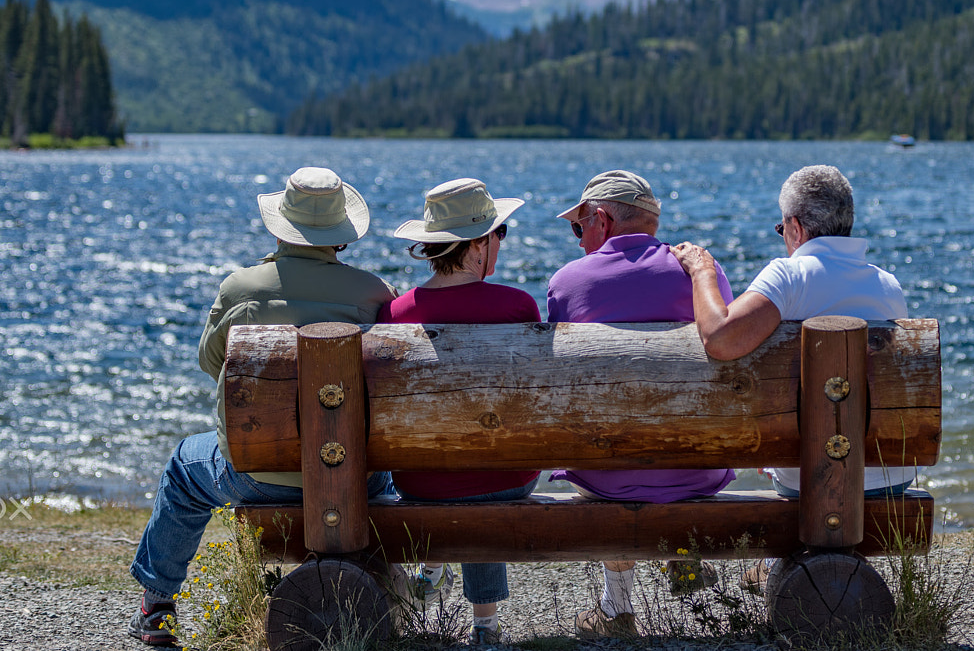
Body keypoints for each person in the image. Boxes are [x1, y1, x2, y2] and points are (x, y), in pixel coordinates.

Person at [127, 168, 395, 647]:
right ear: (341, 233)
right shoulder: (373, 293)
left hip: (257, 475)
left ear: (279, 226)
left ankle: (158, 606)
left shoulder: (239, 288)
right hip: (357, 476)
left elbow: (213, 366)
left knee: (185, 467)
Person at [670, 164, 915, 594]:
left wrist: (702, 271)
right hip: (887, 484)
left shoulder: (790, 277)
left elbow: (721, 339)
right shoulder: (888, 286)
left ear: (796, 228)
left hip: (808, 484)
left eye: (780, 227)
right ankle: (773, 571)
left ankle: (772, 569)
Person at [546, 170, 736, 639]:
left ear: (602, 219)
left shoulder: (567, 284)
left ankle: (617, 609)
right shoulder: (701, 274)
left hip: (605, 473)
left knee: (610, 448)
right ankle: (682, 559)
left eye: (579, 226)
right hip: (697, 471)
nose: (578, 239)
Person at [380, 178, 539, 646]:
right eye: (499, 234)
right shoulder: (517, 307)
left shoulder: (395, 313)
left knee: (457, 466)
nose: (501, 244)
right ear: (477, 245)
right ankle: (485, 625)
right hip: (506, 480)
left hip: (420, 483)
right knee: (483, 468)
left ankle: (431, 572)